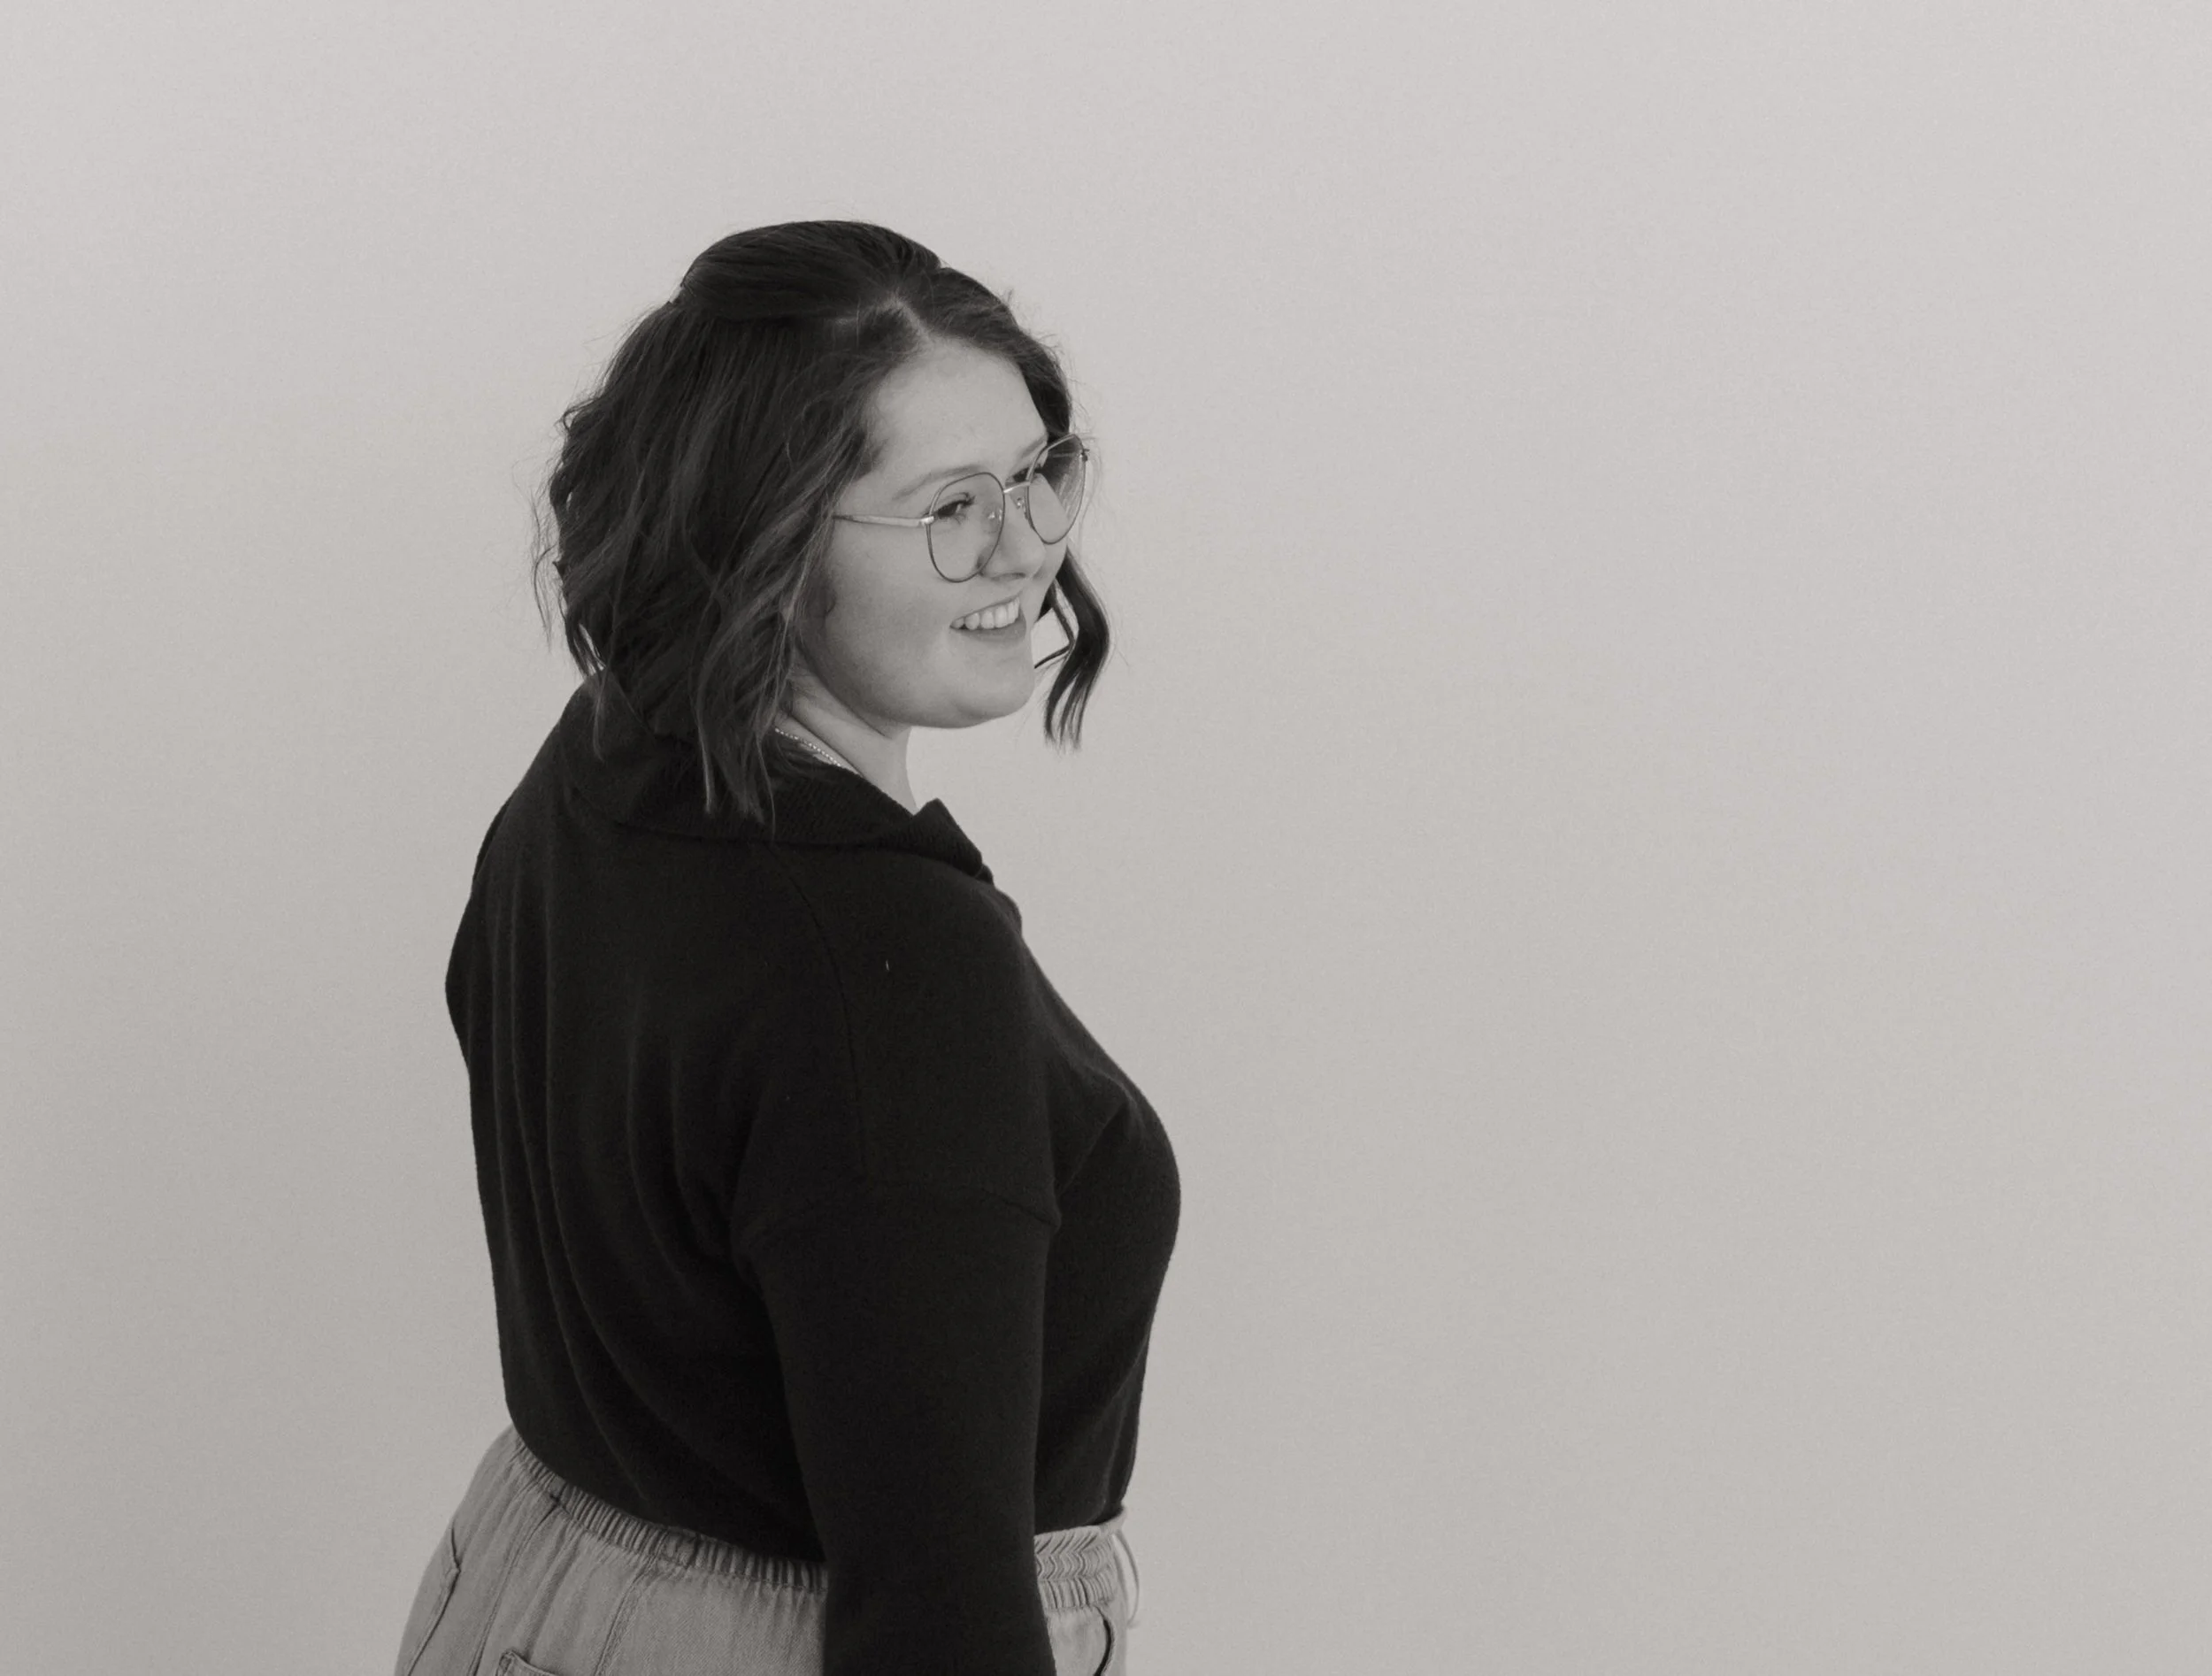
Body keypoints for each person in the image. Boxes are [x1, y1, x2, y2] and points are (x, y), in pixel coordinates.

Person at [391, 220, 1180, 1676]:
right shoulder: (892, 959)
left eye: (1038, 473)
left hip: (525, 1581)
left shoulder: (604, 766)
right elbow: (939, 1615)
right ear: (766, 536)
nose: (1027, 545)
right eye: (950, 506)